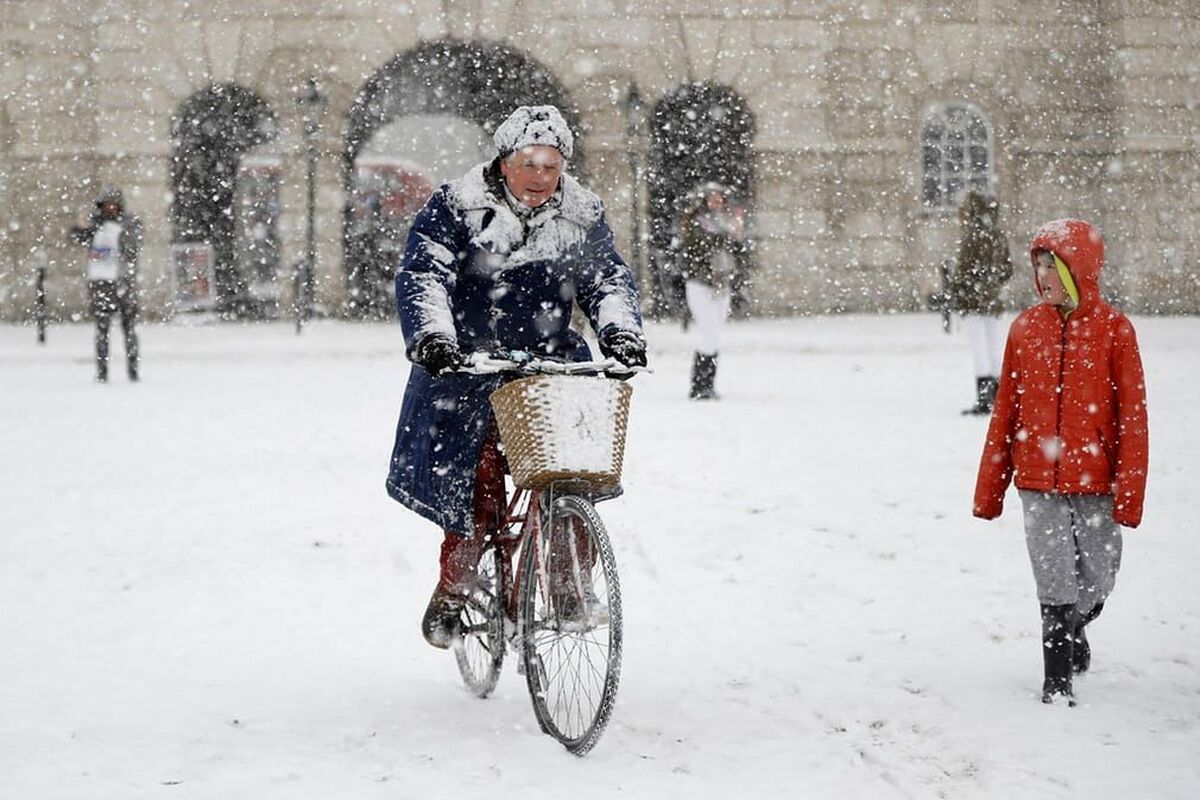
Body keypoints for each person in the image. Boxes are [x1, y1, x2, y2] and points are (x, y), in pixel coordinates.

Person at [384, 105, 647, 649]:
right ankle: (456, 585)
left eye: (551, 165)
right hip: (469, 367)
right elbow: (424, 273)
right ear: (503, 162)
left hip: (549, 367)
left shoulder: (581, 214)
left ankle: (569, 586)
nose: (539, 177)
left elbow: (606, 280)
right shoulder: (457, 206)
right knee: (473, 487)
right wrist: (434, 339)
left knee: (569, 474)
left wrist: (620, 333)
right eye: (528, 162)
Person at [973, 219, 1148, 706]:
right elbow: (1005, 410)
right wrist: (990, 488)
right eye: (1039, 268)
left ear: (1077, 270)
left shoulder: (1116, 331)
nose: (1043, 277)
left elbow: (1132, 418)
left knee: (1097, 577)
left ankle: (1077, 623)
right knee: (1052, 578)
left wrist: (1128, 492)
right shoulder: (1026, 329)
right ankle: (1056, 680)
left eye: (1052, 267)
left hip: (1096, 480)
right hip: (1037, 480)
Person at [676, 182, 747, 399]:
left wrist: (737, 235)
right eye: (712, 199)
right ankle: (699, 384)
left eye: (720, 199)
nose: (717, 203)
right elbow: (699, 246)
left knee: (714, 333)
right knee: (708, 331)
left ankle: (707, 384)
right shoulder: (695, 222)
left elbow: (736, 252)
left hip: (721, 284)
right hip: (700, 283)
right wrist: (728, 234)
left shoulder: (726, 222)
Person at [69, 187, 142, 382]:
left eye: (113, 205)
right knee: (102, 329)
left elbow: (132, 248)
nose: (110, 208)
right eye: (106, 205)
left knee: (129, 328)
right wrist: (81, 226)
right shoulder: (95, 225)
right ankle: (102, 372)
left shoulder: (128, 224)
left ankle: (133, 370)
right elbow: (76, 237)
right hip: (100, 282)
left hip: (122, 281)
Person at [951, 190, 1013, 415]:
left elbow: (963, 271)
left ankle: (984, 400)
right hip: (993, 301)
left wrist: (960, 288)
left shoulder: (972, 237)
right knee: (996, 350)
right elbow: (1007, 270)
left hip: (973, 302)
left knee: (980, 351)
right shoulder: (998, 235)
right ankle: (998, 399)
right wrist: (993, 284)